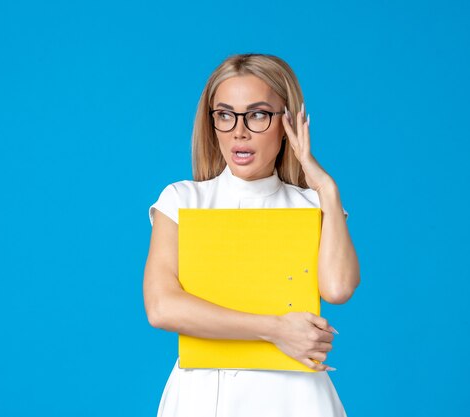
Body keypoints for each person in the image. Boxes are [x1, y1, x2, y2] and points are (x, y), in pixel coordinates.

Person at [143, 53, 360, 417]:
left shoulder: (311, 205)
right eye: (225, 115)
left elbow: (337, 288)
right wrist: (275, 329)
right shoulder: (183, 200)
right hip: (202, 394)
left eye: (258, 114)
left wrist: (325, 187)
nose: (239, 131)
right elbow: (162, 307)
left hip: (295, 397)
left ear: (287, 122)